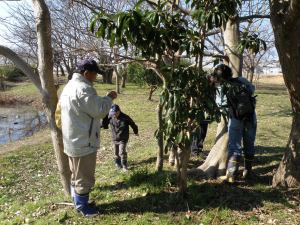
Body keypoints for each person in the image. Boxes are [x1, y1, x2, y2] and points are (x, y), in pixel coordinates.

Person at [58, 58, 117, 216]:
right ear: (86, 73)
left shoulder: (69, 86)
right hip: (83, 140)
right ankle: (83, 208)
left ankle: (78, 202)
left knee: (76, 174)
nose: (95, 77)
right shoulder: (83, 88)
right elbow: (98, 110)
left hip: (73, 139)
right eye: (94, 74)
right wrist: (109, 98)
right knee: (84, 177)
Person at [212, 64, 257, 183]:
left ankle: (231, 175)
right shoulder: (241, 80)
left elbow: (221, 105)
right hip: (250, 116)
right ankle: (247, 172)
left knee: (235, 146)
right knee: (249, 143)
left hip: (235, 118)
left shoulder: (221, 87)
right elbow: (252, 90)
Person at [102, 104, 138, 171]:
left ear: (119, 111)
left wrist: (136, 132)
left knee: (122, 152)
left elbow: (133, 124)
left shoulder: (125, 117)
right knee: (116, 153)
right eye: (112, 113)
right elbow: (104, 125)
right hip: (115, 138)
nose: (114, 115)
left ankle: (124, 165)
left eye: (115, 113)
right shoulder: (110, 116)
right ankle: (118, 165)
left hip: (123, 138)